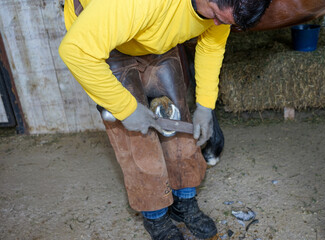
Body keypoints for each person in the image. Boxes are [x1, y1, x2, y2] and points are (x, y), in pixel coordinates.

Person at [59, 0, 270, 239]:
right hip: (106, 34)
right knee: (138, 139)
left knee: (178, 119)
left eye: (225, 22)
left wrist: (205, 105)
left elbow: (211, 45)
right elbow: (76, 51)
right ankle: (156, 215)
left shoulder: (224, 9)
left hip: (152, 29)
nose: (217, 24)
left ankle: (184, 202)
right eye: (215, 16)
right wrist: (125, 108)